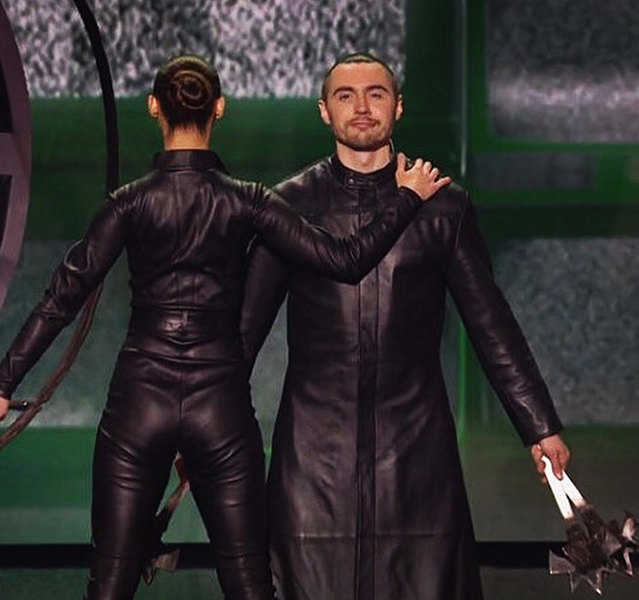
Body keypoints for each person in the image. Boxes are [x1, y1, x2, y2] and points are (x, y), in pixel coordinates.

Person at [0, 55, 450, 600]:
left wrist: (0, 387)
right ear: (219, 108)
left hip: (139, 402)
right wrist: (407, 197)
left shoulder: (129, 203)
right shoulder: (249, 200)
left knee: (111, 580)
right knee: (248, 583)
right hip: (219, 406)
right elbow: (346, 260)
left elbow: (62, 298)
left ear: (154, 107)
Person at [240, 52, 572, 600]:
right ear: (324, 111)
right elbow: (243, 332)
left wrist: (539, 426)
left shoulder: (443, 206)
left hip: (415, 445)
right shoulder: (291, 205)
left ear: (398, 106)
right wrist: (205, 423)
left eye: (376, 94)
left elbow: (491, 324)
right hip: (314, 450)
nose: (361, 107)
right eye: (345, 96)